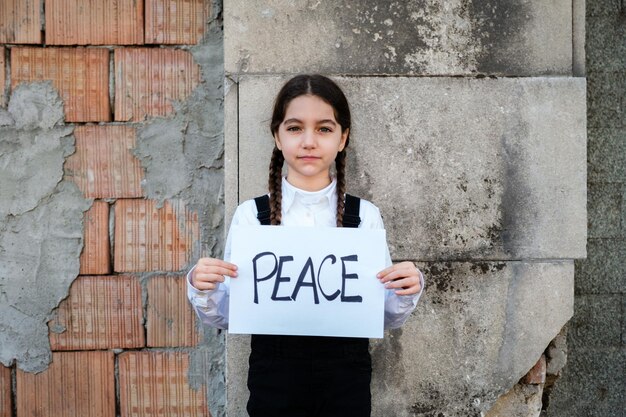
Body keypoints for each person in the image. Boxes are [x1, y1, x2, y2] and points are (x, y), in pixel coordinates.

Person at [187, 74, 424, 417]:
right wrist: (202, 286)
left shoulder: (365, 217)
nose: (309, 141)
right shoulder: (252, 217)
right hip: (274, 382)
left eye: (324, 129)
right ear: (277, 136)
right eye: (295, 128)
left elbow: (383, 315)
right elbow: (228, 314)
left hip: (346, 382)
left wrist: (406, 290)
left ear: (343, 138)